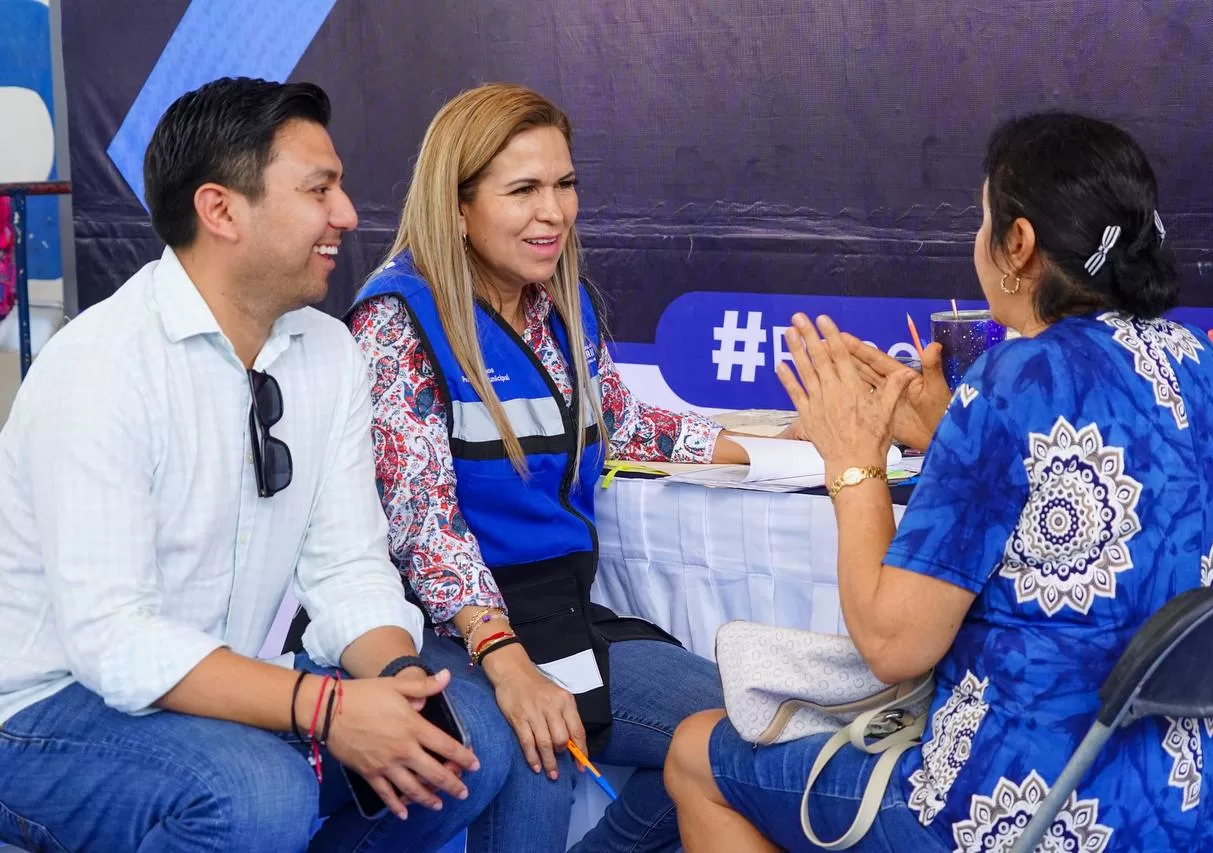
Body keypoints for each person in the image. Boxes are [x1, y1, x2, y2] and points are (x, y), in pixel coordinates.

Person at [665, 112, 1213, 852]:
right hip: (1202, 800)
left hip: (1033, 813)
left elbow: (892, 642)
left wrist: (854, 461)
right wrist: (954, 432)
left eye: (982, 221)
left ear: (1018, 245)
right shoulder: (1193, 358)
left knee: (695, 751)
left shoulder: (1016, 377)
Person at [0, 77, 512, 853]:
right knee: (254, 791)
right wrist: (329, 710)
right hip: (46, 708)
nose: (346, 213)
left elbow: (346, 565)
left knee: (464, 741)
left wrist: (399, 684)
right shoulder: (102, 364)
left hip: (209, 693)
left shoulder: (329, 351)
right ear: (221, 210)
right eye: (320, 189)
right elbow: (116, 641)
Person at [346, 83, 738, 852]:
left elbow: (619, 420)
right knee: (535, 761)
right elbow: (424, 525)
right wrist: (508, 661)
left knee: (738, 740)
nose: (554, 211)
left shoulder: (563, 304)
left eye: (564, 185)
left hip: (564, 615)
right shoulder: (396, 322)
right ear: (456, 206)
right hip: (450, 632)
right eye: (523, 189)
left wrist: (787, 439)